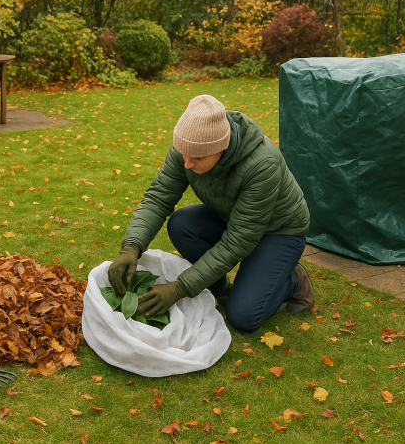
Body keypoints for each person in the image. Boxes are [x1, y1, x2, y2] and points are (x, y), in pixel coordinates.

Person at [108, 94, 312, 333]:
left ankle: (293, 280)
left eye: (197, 157)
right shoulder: (188, 147)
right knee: (181, 224)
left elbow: (238, 241)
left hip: (279, 231)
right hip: (234, 218)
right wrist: (131, 247)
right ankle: (218, 287)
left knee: (243, 317)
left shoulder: (262, 164)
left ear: (221, 148)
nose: (186, 163)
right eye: (183, 153)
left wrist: (180, 288)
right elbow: (159, 196)